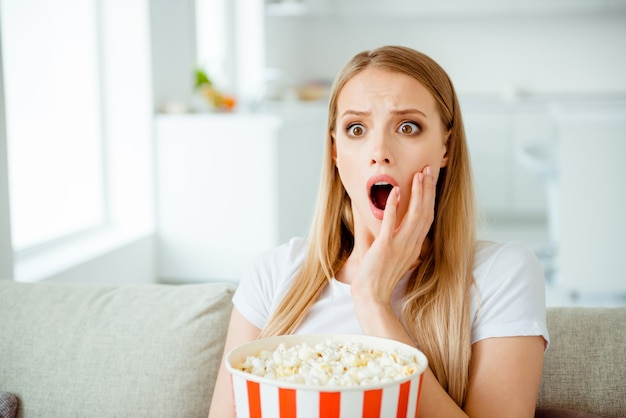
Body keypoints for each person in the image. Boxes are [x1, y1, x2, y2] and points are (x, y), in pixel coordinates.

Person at [208, 45, 549, 417]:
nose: (379, 151)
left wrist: (372, 302)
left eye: (407, 127)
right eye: (357, 128)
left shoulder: (502, 273)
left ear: (445, 147)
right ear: (335, 152)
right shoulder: (273, 273)